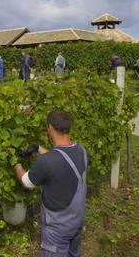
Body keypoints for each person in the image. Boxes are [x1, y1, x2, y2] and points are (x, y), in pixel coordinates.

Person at [12, 110, 88, 257]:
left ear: (50, 128)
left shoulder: (47, 162)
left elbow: (25, 182)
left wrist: (16, 164)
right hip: (77, 221)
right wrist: (38, 148)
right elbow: (62, 160)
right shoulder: (81, 150)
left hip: (57, 228)